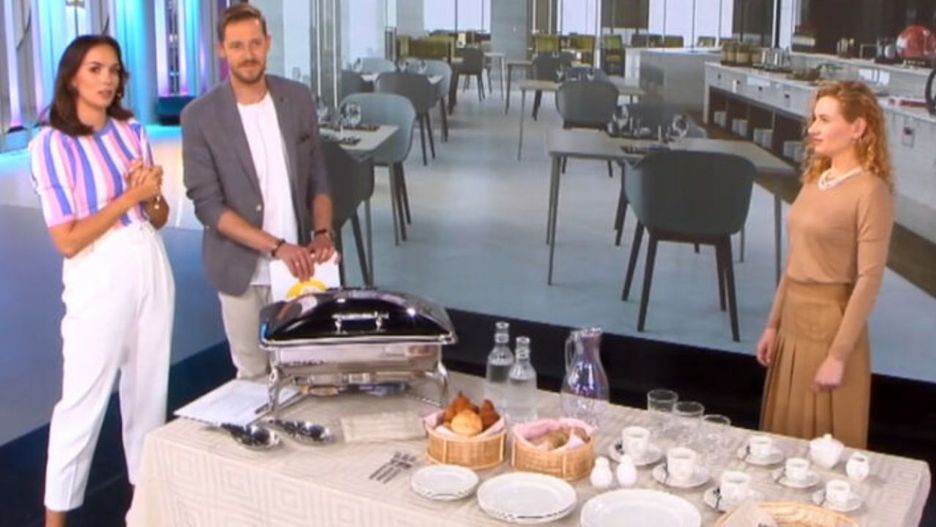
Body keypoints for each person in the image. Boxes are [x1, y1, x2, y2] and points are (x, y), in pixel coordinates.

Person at [29, 35, 175, 527]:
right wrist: (127, 198)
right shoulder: (51, 144)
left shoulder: (131, 131)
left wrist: (151, 196)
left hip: (148, 258)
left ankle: (144, 509)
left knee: (149, 388)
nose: (107, 79)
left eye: (113, 70)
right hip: (97, 269)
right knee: (83, 399)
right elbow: (67, 239)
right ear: (72, 77)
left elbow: (157, 215)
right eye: (95, 69)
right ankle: (55, 519)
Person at [182, 4, 335, 379]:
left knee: (306, 373)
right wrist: (276, 246)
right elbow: (208, 206)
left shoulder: (297, 98)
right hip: (240, 272)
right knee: (251, 375)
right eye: (236, 46)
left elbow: (318, 175)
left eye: (254, 43)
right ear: (221, 50)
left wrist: (322, 232)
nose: (247, 54)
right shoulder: (199, 116)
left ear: (268, 43)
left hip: (300, 270)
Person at [757, 80, 895, 449]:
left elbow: (869, 279)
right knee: (781, 441)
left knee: (823, 450)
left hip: (830, 329)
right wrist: (773, 324)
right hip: (793, 326)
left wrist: (837, 356)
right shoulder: (815, 180)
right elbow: (795, 261)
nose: (812, 128)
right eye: (814, 119)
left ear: (858, 127)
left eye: (824, 119)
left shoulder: (871, 191)